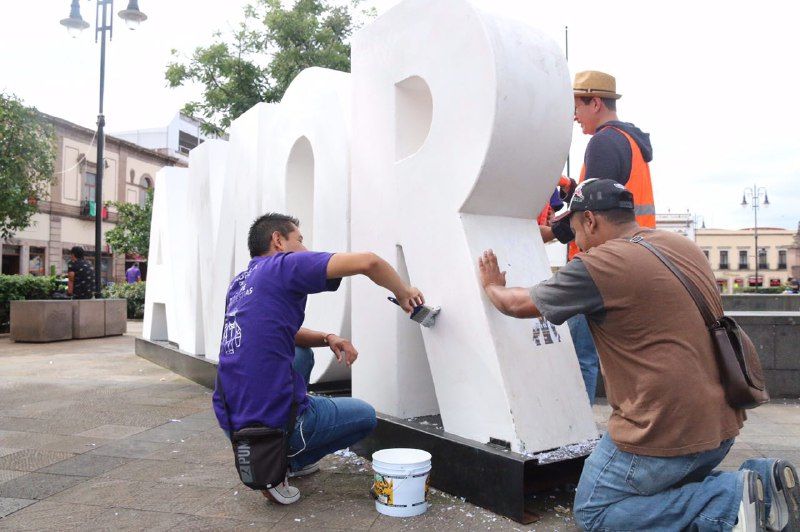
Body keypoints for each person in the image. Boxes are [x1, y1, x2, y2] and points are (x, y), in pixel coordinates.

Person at [478, 179, 799, 531]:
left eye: (574, 229)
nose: (575, 241)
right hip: (724, 424)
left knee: (595, 512)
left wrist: (492, 285)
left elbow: (518, 304)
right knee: (659, 492)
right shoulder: (681, 246)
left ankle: (732, 498)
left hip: (663, 434)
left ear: (590, 220)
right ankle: (762, 481)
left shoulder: (599, 265)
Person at [213, 212, 424, 506]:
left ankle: (283, 447)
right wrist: (404, 292)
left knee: (301, 353)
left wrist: (328, 337)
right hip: (268, 427)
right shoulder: (283, 265)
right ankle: (282, 463)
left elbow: (277, 331)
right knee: (365, 415)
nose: (305, 249)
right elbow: (369, 262)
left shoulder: (241, 282)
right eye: (300, 240)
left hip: (232, 420)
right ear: (278, 240)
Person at [540, 70, 656, 406]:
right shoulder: (628, 142)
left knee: (580, 356)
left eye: (576, 106)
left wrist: (552, 232)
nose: (574, 116)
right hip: (633, 256)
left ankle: (576, 430)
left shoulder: (603, 142)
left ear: (595, 103)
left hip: (602, 261)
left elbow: (594, 206)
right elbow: (603, 196)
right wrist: (569, 188)